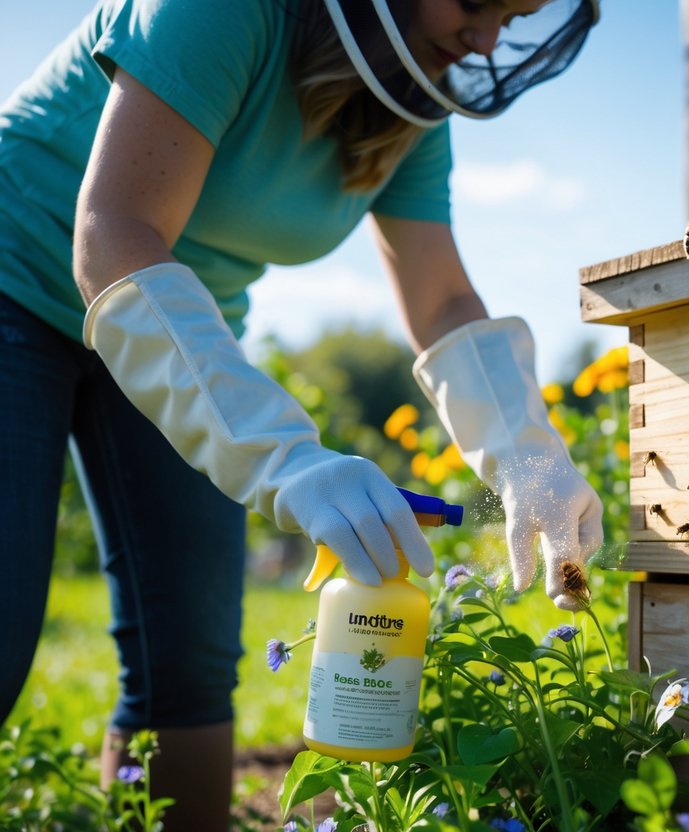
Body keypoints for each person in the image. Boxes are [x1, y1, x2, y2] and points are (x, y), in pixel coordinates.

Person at [0, 0, 603, 826]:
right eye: (474, 0)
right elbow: (113, 234)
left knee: (191, 655)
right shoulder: (220, 12)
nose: (488, 38)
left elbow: (442, 295)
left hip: (178, 328)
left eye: (516, 13)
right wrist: (286, 458)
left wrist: (528, 454)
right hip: (17, 277)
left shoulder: (411, 101)